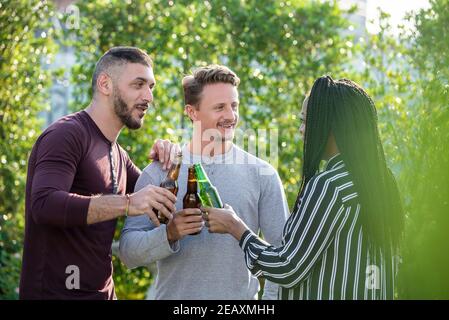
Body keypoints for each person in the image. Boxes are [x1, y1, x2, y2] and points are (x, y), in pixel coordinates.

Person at [206, 76, 404, 300]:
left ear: (330, 126)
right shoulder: (381, 183)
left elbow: (287, 268)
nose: (301, 131)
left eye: (305, 121)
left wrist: (236, 228)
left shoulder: (329, 186)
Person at [19, 46, 181, 300]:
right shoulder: (66, 135)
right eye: (138, 84)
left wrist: (169, 161)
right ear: (105, 84)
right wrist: (127, 204)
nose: (148, 96)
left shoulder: (119, 154)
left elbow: (160, 203)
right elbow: (44, 204)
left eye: (151, 87)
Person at [119, 65, 289, 300]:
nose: (230, 116)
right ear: (192, 112)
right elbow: (128, 252)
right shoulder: (161, 171)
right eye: (219, 107)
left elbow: (282, 256)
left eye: (234, 106)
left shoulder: (262, 174)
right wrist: (169, 234)